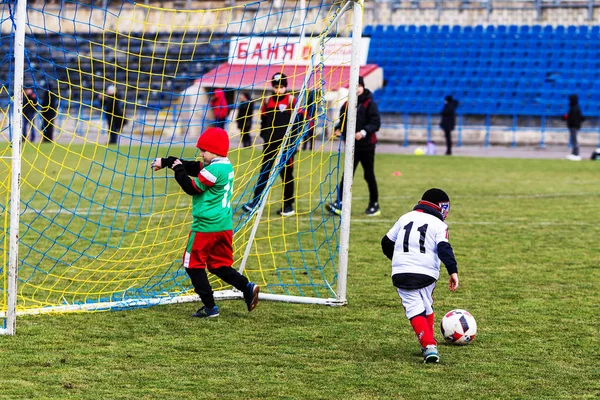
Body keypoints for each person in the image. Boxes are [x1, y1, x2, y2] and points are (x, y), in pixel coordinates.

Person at [151, 127, 260, 318]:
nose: (201, 154)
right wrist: (168, 162)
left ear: (215, 151)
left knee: (192, 265)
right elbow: (194, 167)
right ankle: (247, 287)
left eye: (204, 151)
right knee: (218, 265)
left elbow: (191, 187)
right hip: (223, 226)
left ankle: (210, 308)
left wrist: (177, 170)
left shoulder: (214, 169)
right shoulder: (224, 165)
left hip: (206, 227)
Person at [381, 188, 459, 363]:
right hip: (427, 271)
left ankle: (429, 344)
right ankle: (429, 345)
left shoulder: (405, 217)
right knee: (425, 305)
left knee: (415, 307)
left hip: (401, 271)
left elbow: (386, 242)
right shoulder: (439, 225)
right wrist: (452, 271)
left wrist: (398, 259)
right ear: (440, 207)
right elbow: (444, 248)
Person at [242, 73, 300, 217]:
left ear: (285, 86)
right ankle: (255, 203)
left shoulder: (292, 100)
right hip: (270, 145)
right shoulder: (267, 101)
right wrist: (265, 136)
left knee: (286, 175)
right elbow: (263, 121)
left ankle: (288, 206)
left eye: (281, 86)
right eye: (275, 87)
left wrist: (293, 141)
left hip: (287, 146)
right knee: (264, 173)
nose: (278, 89)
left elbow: (300, 121)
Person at [327, 76, 382, 217]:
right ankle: (339, 203)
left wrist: (363, 132)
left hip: (367, 146)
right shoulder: (346, 104)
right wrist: (338, 129)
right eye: (354, 86)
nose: (356, 89)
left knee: (368, 175)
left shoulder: (370, 104)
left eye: (358, 86)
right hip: (352, 147)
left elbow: (376, 123)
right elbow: (342, 122)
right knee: (347, 176)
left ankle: (374, 204)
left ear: (363, 87)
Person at [562, 94, 585, 161]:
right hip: (574, 126)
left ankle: (576, 154)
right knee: (573, 140)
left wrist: (568, 119)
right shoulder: (575, 107)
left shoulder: (575, 108)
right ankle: (574, 153)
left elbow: (574, 118)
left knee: (574, 140)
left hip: (574, 126)